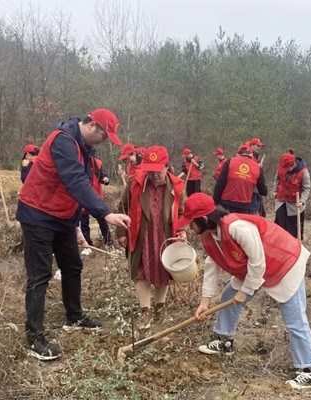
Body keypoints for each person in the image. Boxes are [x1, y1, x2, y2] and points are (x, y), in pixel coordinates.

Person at [17, 108, 130, 361]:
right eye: (104, 135)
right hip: (38, 213)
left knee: (73, 266)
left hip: (62, 217)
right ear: (91, 126)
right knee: (40, 275)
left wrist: (80, 222)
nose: (105, 141)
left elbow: (85, 185)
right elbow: (74, 180)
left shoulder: (86, 148)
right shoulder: (63, 140)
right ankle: (34, 337)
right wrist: (104, 213)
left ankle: (74, 316)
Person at [176, 193, 311, 390]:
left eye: (191, 223)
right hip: (254, 269)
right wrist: (205, 301)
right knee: (228, 295)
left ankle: (309, 370)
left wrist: (245, 291)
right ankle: (224, 341)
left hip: (284, 263)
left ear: (203, 219)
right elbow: (212, 265)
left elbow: (258, 261)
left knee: (294, 317)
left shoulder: (237, 227)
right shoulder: (209, 236)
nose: (189, 228)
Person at [116, 145, 186, 330]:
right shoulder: (135, 183)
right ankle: (145, 311)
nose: (154, 175)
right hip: (141, 234)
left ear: (167, 166)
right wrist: (122, 233)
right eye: (150, 171)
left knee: (163, 269)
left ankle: (160, 307)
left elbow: (182, 211)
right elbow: (123, 207)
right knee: (141, 271)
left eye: (158, 171)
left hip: (165, 234)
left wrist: (182, 231)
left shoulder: (177, 186)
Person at [213, 144, 268, 214]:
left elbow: (220, 183)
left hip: (226, 204)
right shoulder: (257, 167)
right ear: (251, 154)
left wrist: (215, 201)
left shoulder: (229, 162)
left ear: (237, 154)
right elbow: (263, 191)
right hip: (244, 207)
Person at [80, 150, 112, 253]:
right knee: (83, 223)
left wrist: (106, 179)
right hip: (83, 196)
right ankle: (87, 245)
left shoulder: (98, 163)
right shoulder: (79, 162)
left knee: (102, 220)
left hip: (96, 197)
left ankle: (108, 242)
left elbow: (103, 177)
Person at [273, 152, 311, 239]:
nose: (285, 170)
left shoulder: (303, 172)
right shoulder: (281, 169)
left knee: (293, 230)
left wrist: (302, 201)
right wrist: (275, 190)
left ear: (293, 164)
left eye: (287, 168)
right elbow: (277, 179)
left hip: (295, 205)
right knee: (279, 228)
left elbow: (306, 189)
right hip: (281, 201)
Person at [247, 138, 266, 216]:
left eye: (260, 146)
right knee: (252, 212)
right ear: (252, 146)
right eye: (257, 146)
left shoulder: (256, 157)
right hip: (252, 189)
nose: (259, 148)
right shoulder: (249, 157)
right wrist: (257, 167)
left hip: (257, 188)